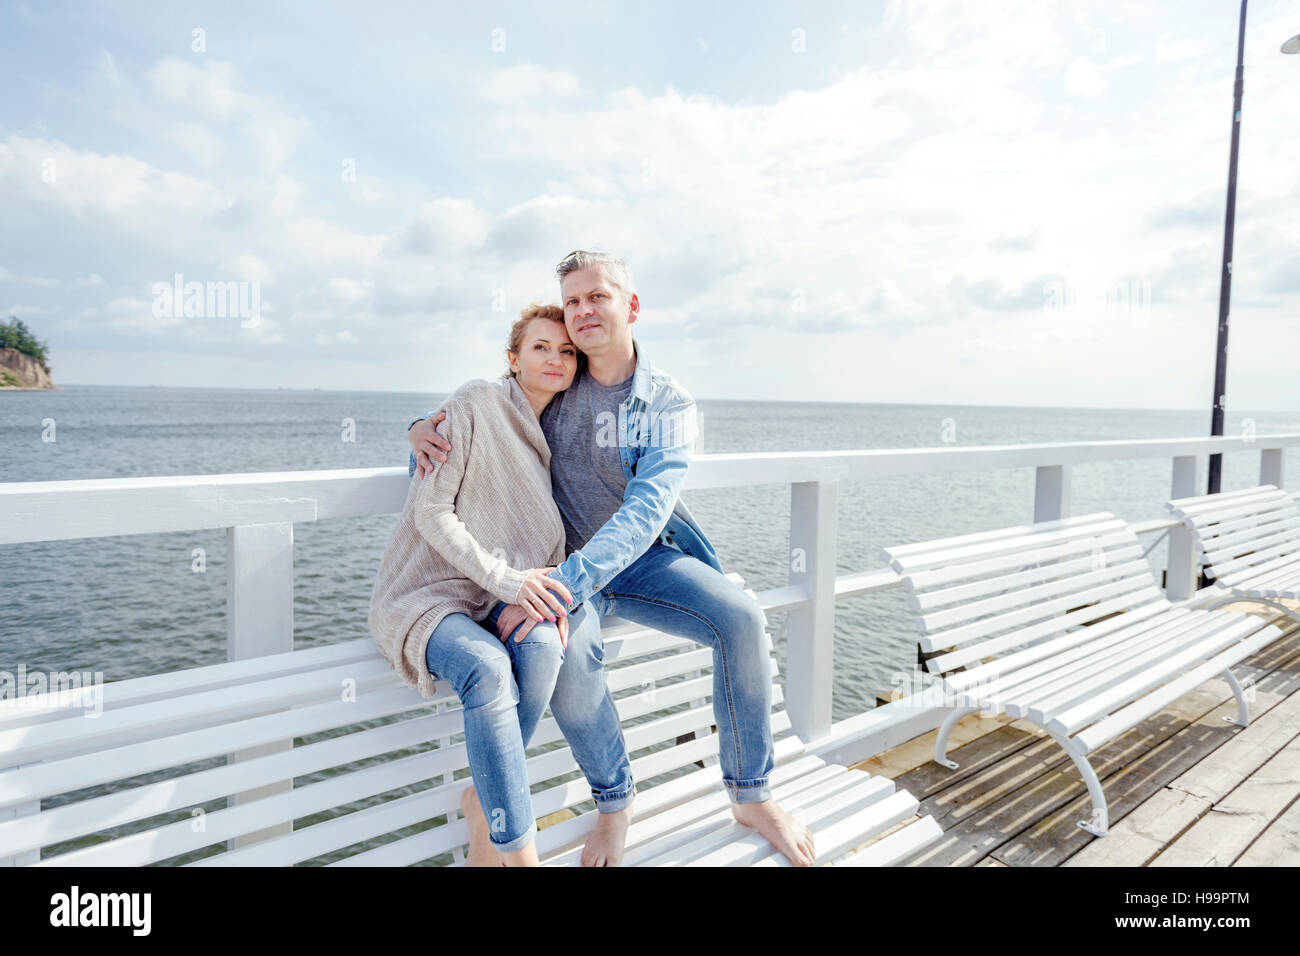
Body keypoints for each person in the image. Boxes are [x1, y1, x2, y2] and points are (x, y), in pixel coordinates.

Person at [407, 251, 817, 866]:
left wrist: (568, 586)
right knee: (570, 656)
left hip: (637, 562)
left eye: (596, 297)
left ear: (631, 307)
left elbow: (646, 512)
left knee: (741, 618)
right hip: (559, 561)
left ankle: (751, 794)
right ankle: (615, 802)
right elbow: (473, 418)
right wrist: (416, 427)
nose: (581, 312)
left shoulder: (668, 405)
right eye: (572, 302)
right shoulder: (558, 381)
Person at [369, 303, 633, 867]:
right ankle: (520, 856)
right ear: (512, 359)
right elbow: (432, 512)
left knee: (544, 647)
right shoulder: (477, 402)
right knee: (487, 667)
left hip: (496, 597)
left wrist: (555, 597)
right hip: (429, 593)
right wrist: (509, 581)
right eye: (540, 347)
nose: (555, 358)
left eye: (566, 350)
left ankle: (484, 801)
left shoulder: (561, 436)